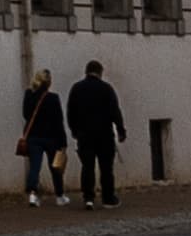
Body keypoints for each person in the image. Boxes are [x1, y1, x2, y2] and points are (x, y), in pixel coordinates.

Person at [67, 59, 126, 208]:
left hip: (84, 134)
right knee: (106, 167)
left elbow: (70, 112)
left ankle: (88, 198)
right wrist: (120, 130)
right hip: (104, 134)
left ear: (86, 72)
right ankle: (108, 198)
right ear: (100, 72)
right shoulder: (106, 89)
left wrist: (74, 130)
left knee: (87, 166)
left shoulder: (77, 88)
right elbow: (115, 111)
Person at [19, 67, 70, 205]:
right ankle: (60, 196)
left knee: (35, 167)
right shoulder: (53, 98)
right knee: (55, 167)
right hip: (51, 137)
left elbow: (25, 115)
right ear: (48, 83)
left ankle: (32, 194)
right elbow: (59, 121)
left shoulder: (28, 95)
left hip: (34, 137)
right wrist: (63, 142)